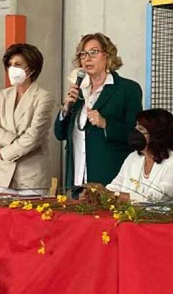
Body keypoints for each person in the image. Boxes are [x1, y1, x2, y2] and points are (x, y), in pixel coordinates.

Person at [54, 33, 143, 190]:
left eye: (93, 52)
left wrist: (105, 124)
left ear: (108, 55)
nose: (87, 58)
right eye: (83, 54)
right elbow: (60, 134)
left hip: (109, 176)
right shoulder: (78, 90)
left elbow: (136, 135)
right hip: (77, 177)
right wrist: (65, 108)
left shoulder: (127, 89)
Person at [0, 43, 55, 196]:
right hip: (2, 175)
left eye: (18, 64)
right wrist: (13, 140)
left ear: (31, 68)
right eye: (10, 65)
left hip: (31, 177)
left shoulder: (43, 97)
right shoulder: (4, 95)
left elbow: (34, 137)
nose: (12, 69)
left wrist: (4, 152)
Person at [90, 109, 173, 203]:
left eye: (141, 129)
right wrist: (95, 193)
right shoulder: (133, 157)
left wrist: (112, 195)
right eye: (136, 127)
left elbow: (157, 198)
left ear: (157, 135)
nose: (135, 132)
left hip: (165, 216)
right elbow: (115, 187)